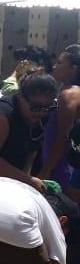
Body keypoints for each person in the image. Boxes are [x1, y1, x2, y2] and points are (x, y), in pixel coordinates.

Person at [39, 45, 80, 193]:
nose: (55, 66)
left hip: (60, 164)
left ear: (73, 68)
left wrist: (45, 171)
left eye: (60, 63)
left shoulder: (69, 95)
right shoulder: (65, 90)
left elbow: (63, 138)